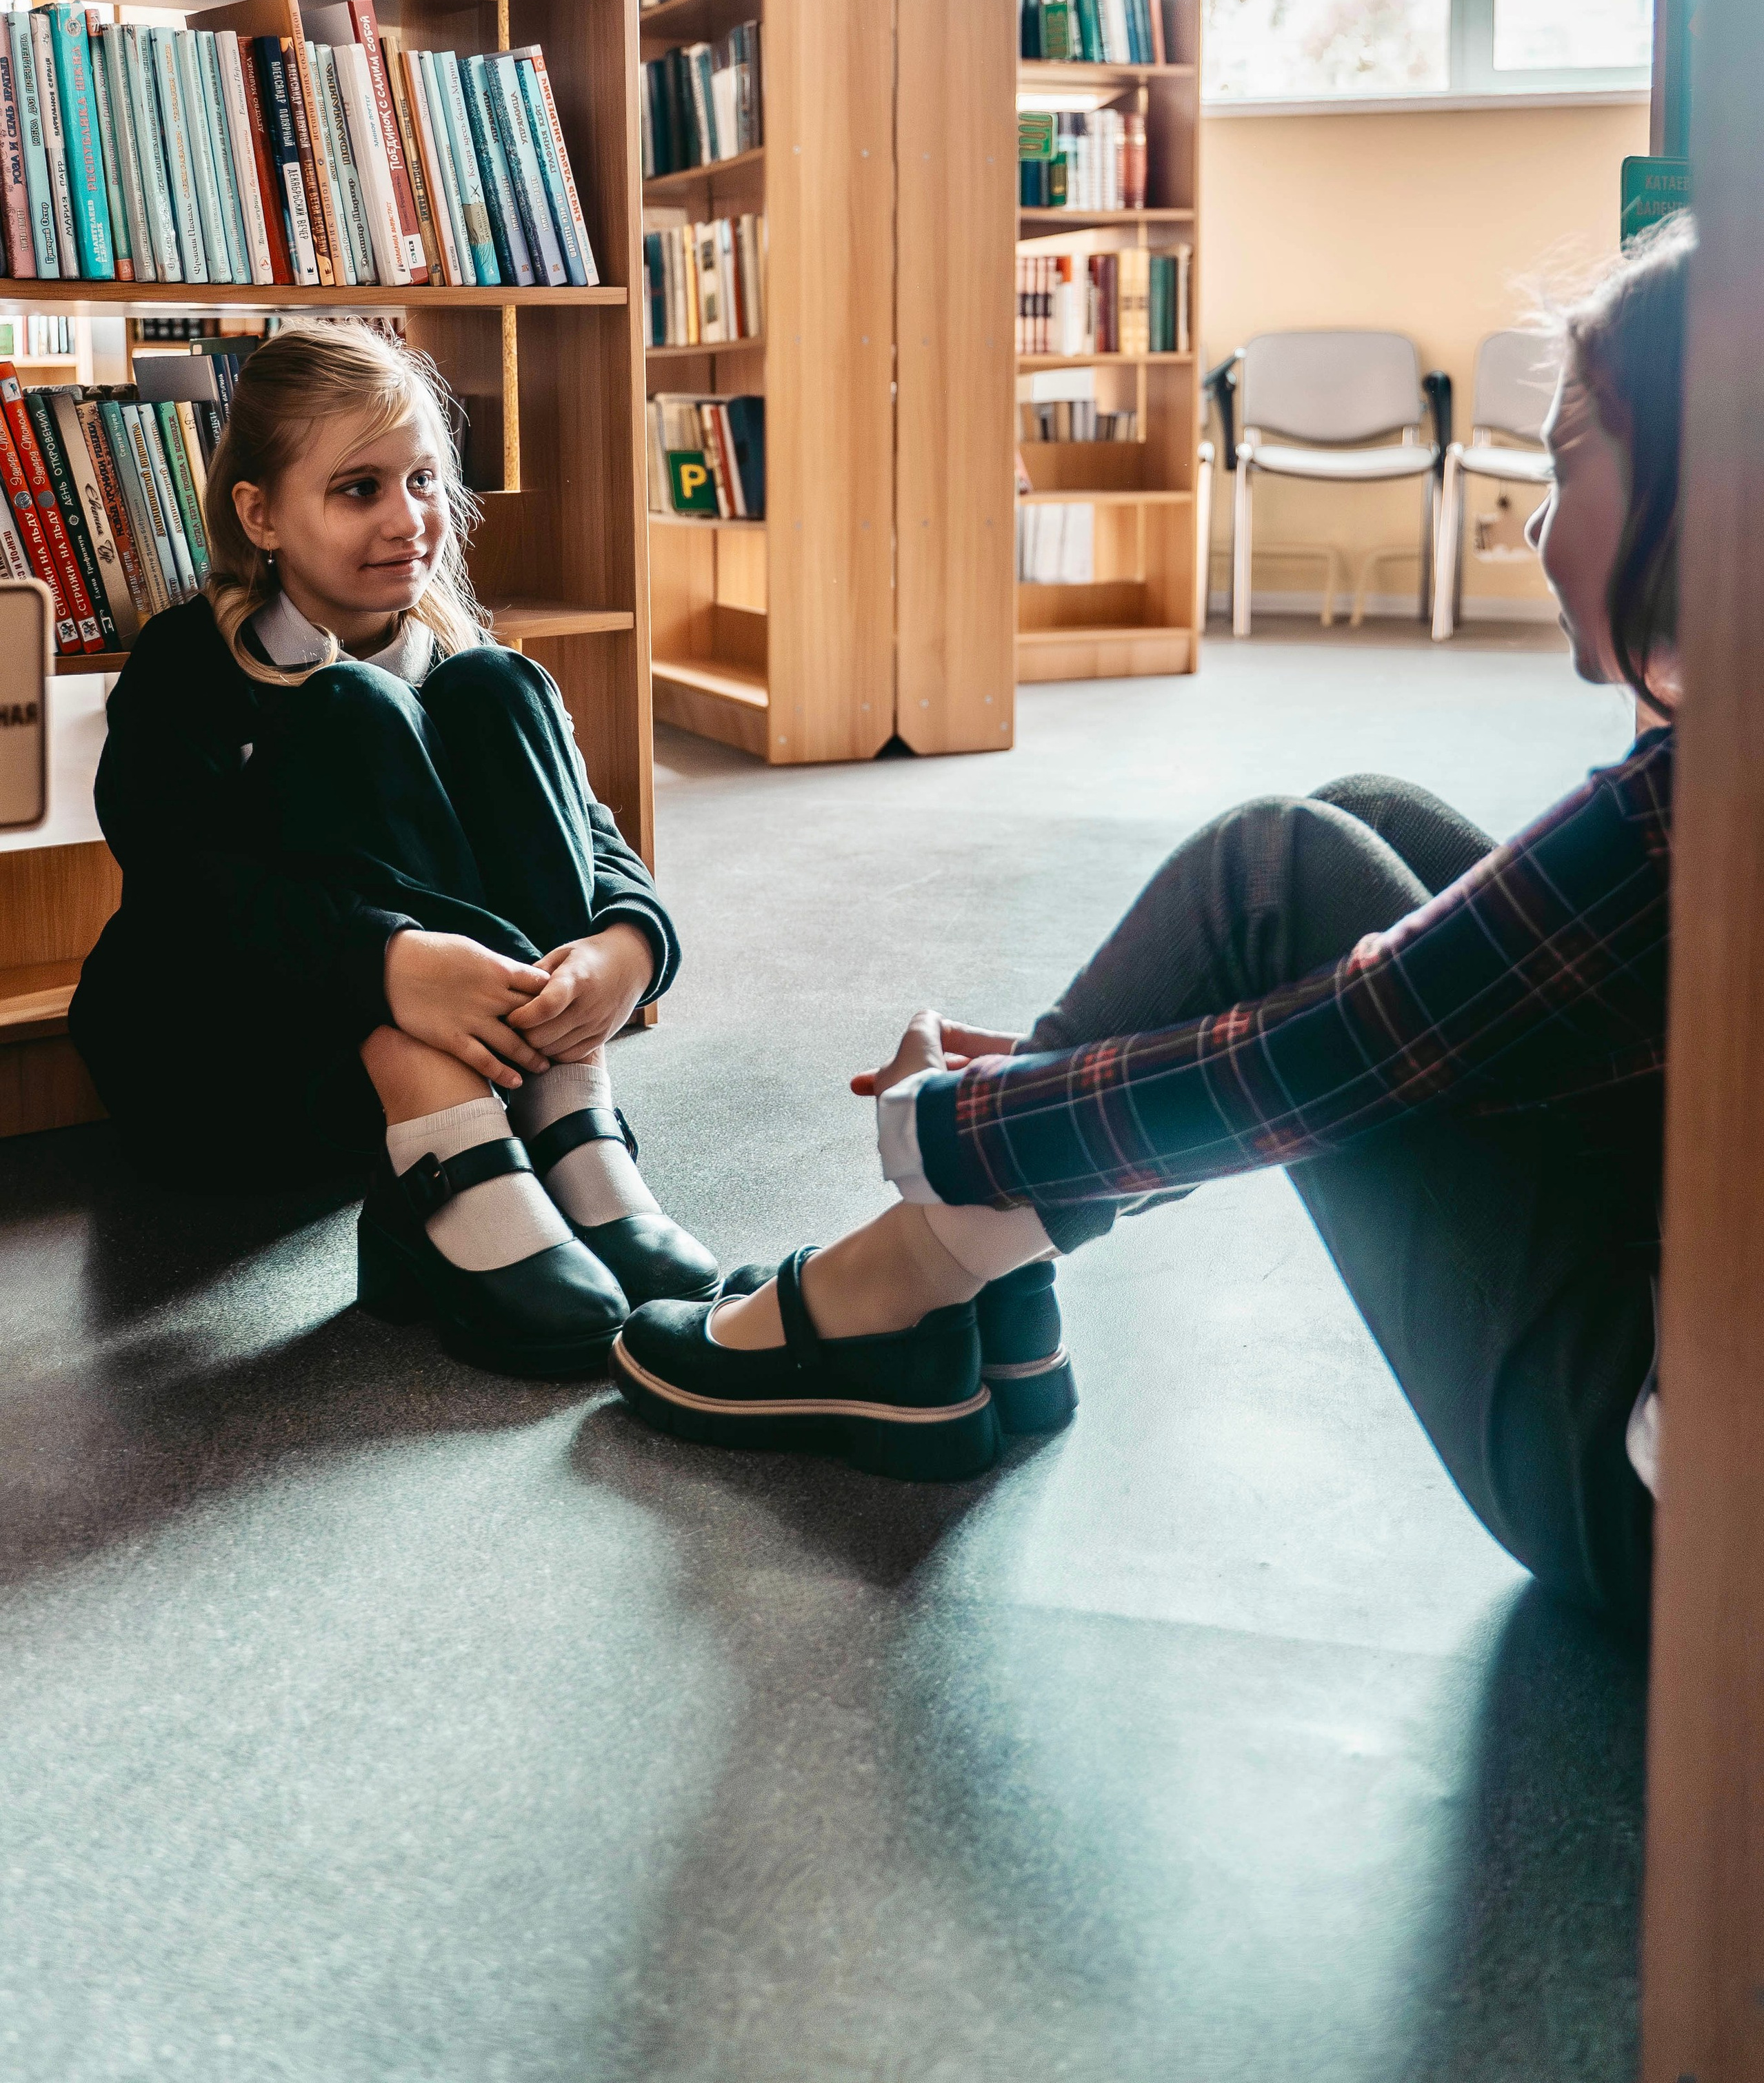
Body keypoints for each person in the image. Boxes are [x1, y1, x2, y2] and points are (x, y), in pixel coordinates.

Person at [613, 221, 1689, 1635]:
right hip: (1663, 1355)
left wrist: (953, 1125)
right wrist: (1064, 1083)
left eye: (1561, 463)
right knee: (1361, 819)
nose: (1535, 524)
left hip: (1643, 1516)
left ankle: (906, 1279)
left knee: (1276, 874)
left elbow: (1335, 1056)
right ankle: (959, 1274)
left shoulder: (1698, 797)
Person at [72, 320, 719, 1379]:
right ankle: (448, 1164)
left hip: (485, 1071)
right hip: (226, 1065)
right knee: (353, 710)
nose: (408, 518)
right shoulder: (185, 665)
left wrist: (623, 948)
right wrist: (386, 963)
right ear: (261, 514)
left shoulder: (461, 655)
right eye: (358, 488)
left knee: (499, 688)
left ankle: (572, 1124)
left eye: (423, 479)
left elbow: (596, 839)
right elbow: (190, 887)